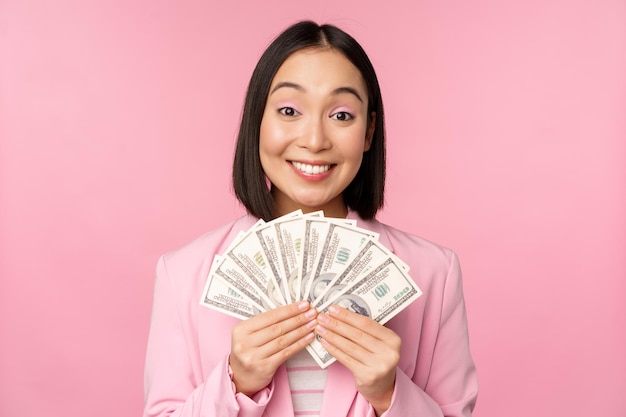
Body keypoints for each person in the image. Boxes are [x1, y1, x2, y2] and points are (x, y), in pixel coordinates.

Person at [143, 20, 478, 417]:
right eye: (289, 110)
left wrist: (389, 395)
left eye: (341, 115)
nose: (315, 140)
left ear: (369, 131)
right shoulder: (182, 274)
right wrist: (235, 382)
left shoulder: (433, 273)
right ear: (258, 122)